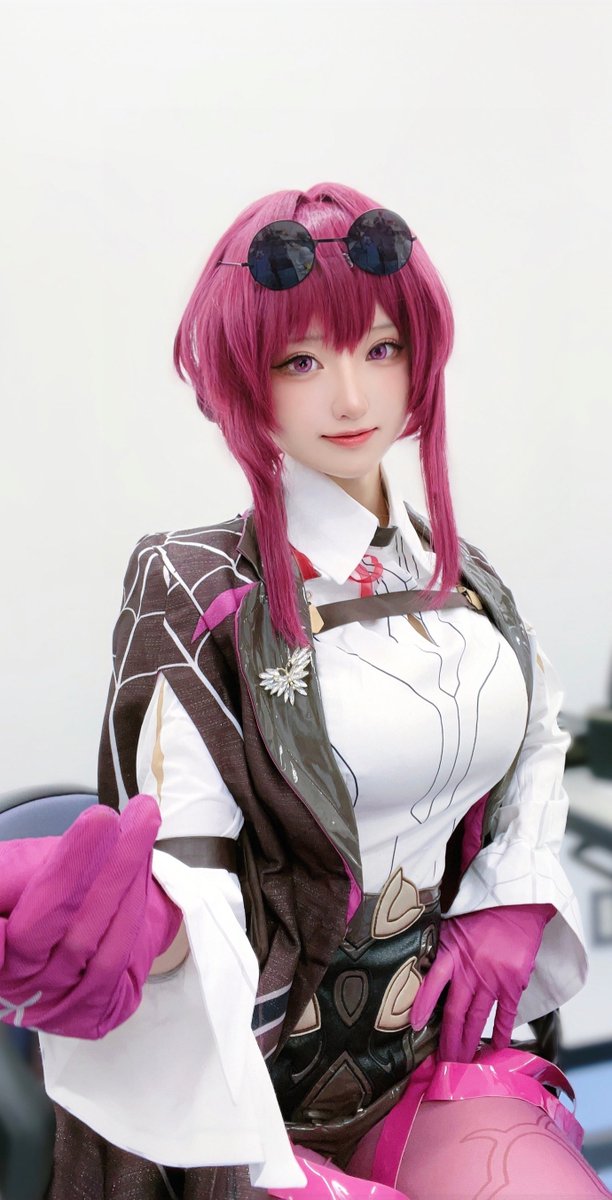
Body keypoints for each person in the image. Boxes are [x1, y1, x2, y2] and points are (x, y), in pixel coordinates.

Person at [0, 181, 609, 1200]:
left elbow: (535, 733)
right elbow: (188, 856)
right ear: (243, 376)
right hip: (247, 1099)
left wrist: (516, 893)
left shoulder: (465, 579)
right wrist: (145, 932)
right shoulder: (195, 587)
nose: (352, 399)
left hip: (425, 1064)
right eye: (302, 361)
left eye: (381, 348)